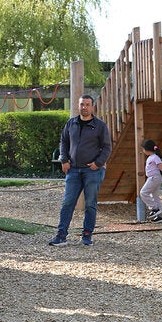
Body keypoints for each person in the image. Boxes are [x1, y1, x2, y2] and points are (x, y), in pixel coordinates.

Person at [49, 94, 112, 247]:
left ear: (92, 107)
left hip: (92, 171)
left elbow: (107, 147)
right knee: (67, 203)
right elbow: (63, 141)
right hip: (73, 171)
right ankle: (61, 235)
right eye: (82, 104)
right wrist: (63, 159)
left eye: (87, 104)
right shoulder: (71, 123)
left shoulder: (100, 126)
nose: (84, 107)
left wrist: (98, 163)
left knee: (90, 203)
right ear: (79, 106)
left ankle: (87, 235)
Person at [139, 138, 162, 223]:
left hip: (154, 178)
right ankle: (161, 216)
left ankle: (154, 208)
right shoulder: (151, 157)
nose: (143, 151)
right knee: (155, 196)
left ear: (147, 149)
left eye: (143, 149)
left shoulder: (155, 158)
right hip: (154, 178)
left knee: (143, 192)